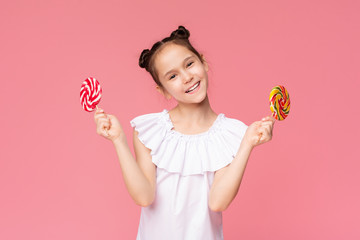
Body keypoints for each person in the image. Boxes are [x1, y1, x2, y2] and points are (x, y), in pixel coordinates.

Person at [94, 26, 275, 240]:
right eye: (172, 76)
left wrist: (247, 144)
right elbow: (144, 197)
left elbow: (218, 202)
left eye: (189, 64)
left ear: (203, 62)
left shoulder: (231, 134)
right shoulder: (151, 131)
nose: (187, 77)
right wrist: (118, 141)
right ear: (162, 90)